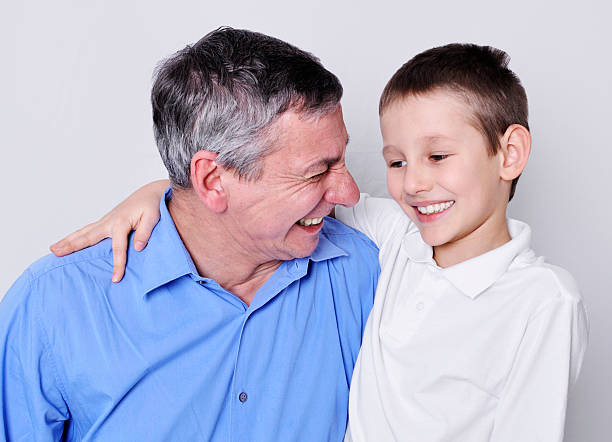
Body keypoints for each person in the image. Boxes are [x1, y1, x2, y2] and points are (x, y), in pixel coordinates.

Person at [60, 44, 589, 441]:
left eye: (438, 157)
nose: (413, 183)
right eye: (396, 161)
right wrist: (158, 191)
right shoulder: (397, 238)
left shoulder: (543, 300)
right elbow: (248, 198)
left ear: (510, 152)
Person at [0, 28, 380, 441]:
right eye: (317, 171)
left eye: (340, 159)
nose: (349, 193)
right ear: (213, 180)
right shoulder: (54, 306)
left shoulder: (366, 272)